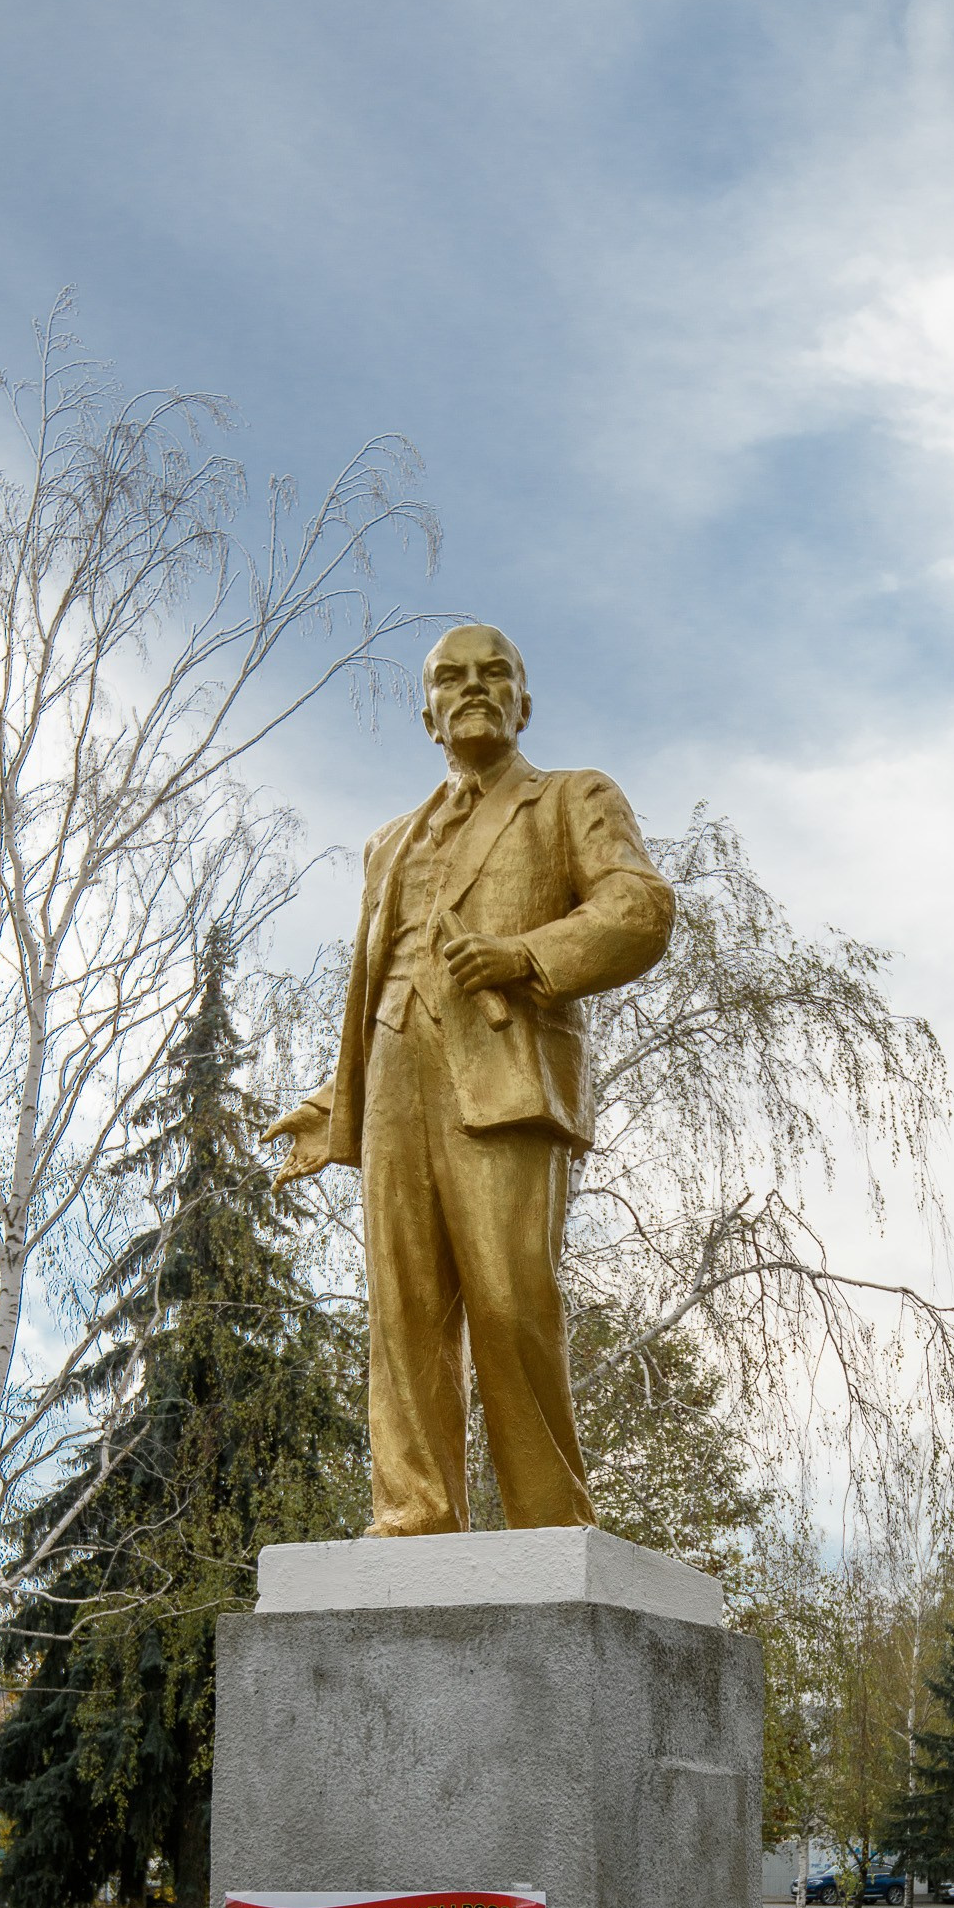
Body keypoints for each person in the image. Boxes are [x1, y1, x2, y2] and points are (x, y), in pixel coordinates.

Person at [267, 625, 673, 1533]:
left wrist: (526, 955)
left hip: (502, 1083)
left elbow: (639, 910)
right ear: (427, 715)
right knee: (400, 1309)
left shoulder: (572, 798)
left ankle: (547, 1520)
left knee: (510, 1297)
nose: (475, 687)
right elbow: (383, 980)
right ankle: (414, 1510)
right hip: (394, 1086)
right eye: (451, 678)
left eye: (497, 674)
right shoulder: (387, 844)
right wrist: (339, 1104)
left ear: (525, 702)